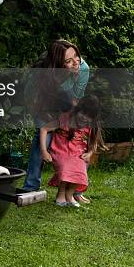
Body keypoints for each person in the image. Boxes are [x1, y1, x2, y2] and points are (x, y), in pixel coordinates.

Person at [21, 39, 90, 202]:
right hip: (42, 102)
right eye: (68, 61)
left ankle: (75, 190)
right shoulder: (43, 74)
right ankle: (30, 187)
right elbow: (30, 97)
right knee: (43, 138)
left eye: (76, 56)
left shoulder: (84, 69)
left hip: (66, 103)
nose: (76, 63)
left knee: (77, 143)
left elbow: (75, 100)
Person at [40, 95, 105, 206]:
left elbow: (94, 143)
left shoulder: (91, 126)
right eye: (83, 113)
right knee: (66, 167)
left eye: (89, 116)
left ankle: (69, 195)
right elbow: (44, 129)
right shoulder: (65, 119)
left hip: (77, 152)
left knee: (80, 170)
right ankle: (61, 195)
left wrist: (89, 153)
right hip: (61, 150)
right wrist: (44, 151)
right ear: (77, 110)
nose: (85, 118)